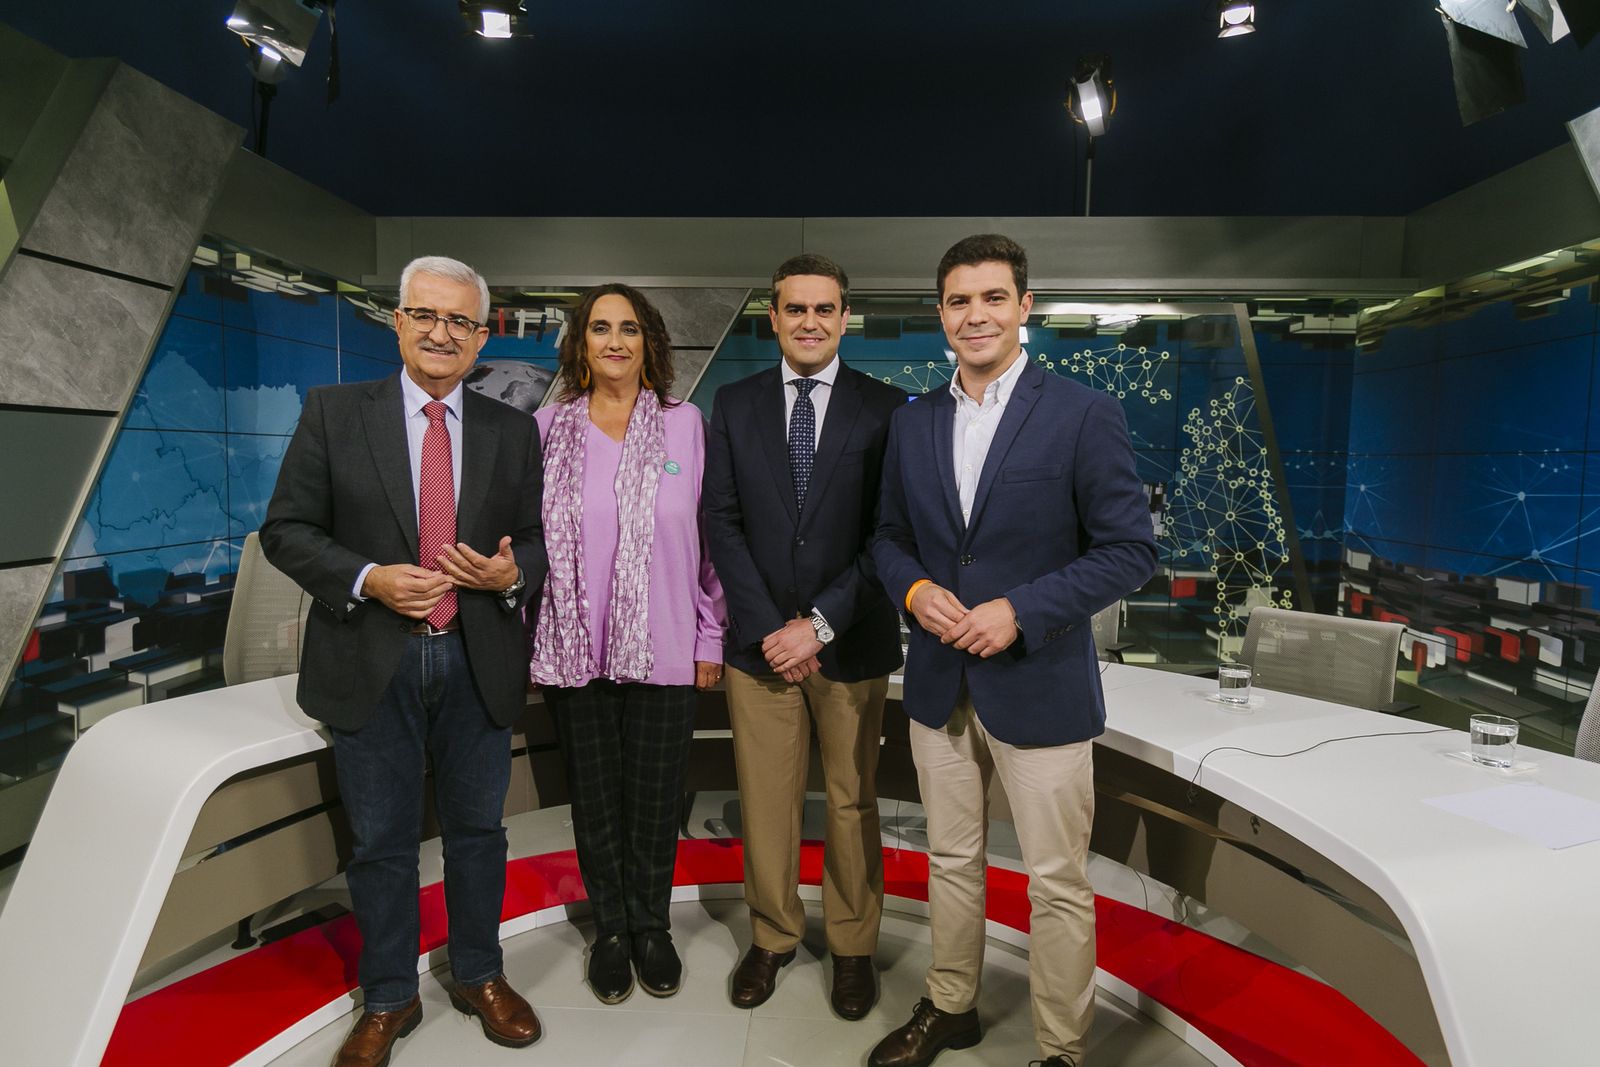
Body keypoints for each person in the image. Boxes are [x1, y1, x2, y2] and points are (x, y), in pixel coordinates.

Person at [869, 235, 1158, 1067]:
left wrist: (1019, 610)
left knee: (1056, 882)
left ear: (1025, 306)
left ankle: (1062, 1049)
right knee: (951, 860)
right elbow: (888, 538)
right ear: (941, 315)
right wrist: (917, 594)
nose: (976, 315)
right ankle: (952, 1003)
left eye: (993, 297)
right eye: (960, 301)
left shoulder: (1081, 412)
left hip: (1040, 683)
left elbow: (1128, 549)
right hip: (938, 680)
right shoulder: (914, 420)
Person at [261, 255, 548, 1067]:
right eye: (425, 315)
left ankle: (480, 973)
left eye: (460, 320)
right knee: (382, 840)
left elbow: (534, 541)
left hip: (475, 656)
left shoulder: (511, 430)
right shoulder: (332, 412)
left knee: (476, 833)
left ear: (482, 334)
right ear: (398, 321)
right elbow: (285, 530)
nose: (441, 332)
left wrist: (510, 572)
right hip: (368, 659)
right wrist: (368, 578)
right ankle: (388, 995)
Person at [702, 253, 906, 1018]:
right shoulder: (735, 403)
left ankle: (853, 947)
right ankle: (774, 935)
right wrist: (770, 629)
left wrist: (816, 624)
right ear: (774, 318)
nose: (811, 322)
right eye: (796, 309)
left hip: (848, 642)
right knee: (765, 801)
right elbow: (720, 521)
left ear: (845, 317)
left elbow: (890, 533)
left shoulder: (889, 410)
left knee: (853, 803)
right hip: (760, 650)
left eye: (825, 309)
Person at [529, 282, 726, 1006]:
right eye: (600, 328)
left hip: (668, 645)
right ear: (580, 343)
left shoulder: (685, 424)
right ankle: (610, 927)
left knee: (653, 796)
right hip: (573, 651)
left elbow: (709, 544)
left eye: (630, 328)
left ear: (651, 343)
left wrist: (711, 634)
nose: (615, 340)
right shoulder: (548, 428)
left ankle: (652, 925)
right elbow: (529, 543)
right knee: (595, 797)